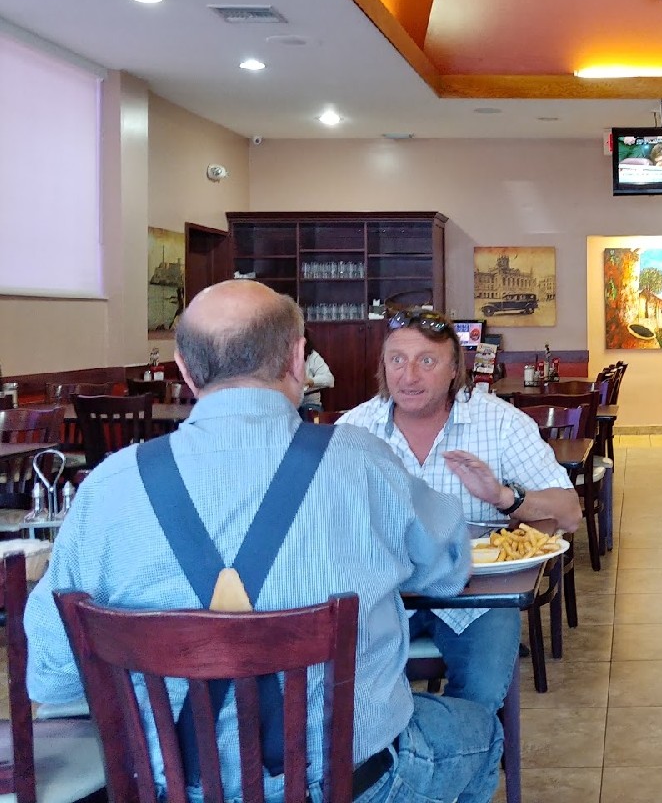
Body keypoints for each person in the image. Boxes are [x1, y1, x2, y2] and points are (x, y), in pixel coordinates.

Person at [25, 280, 503, 803]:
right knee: (481, 733)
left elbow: (52, 678)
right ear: (298, 358)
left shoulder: (108, 487)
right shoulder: (362, 459)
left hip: (167, 789)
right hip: (353, 785)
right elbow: (448, 568)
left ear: (184, 370)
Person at [339, 311, 581, 713]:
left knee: (480, 695)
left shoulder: (499, 423)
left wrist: (503, 496)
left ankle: (459, 745)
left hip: (476, 599)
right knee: (342, 697)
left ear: (455, 369)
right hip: (381, 596)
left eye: (427, 361)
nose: (409, 376)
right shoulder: (354, 429)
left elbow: (570, 513)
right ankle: (403, 751)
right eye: (397, 360)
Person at [302, 331, 334, 412]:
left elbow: (329, 379)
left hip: (309, 404)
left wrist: (310, 381)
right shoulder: (279, 356)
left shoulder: (312, 356)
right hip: (286, 405)